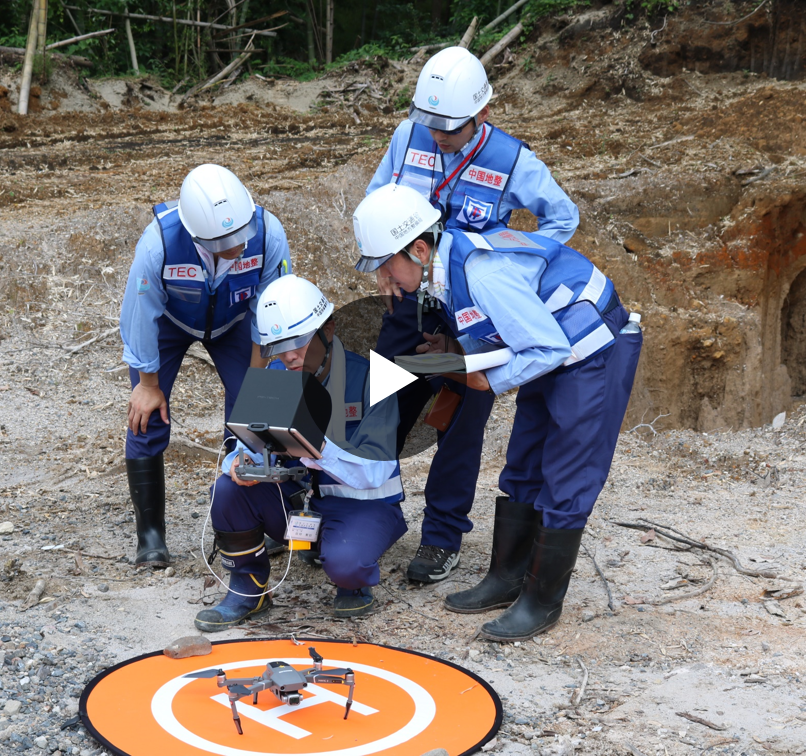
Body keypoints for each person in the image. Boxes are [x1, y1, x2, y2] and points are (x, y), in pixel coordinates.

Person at [351, 184, 641, 641]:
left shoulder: (480, 272)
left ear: (420, 249)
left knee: (566, 473)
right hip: (551, 350)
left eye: (387, 264)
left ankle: (542, 603)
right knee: (524, 460)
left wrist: (490, 380)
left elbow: (549, 345)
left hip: (589, 351)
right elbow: (497, 326)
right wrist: (455, 348)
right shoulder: (443, 271)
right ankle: (506, 578)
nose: (385, 277)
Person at [365, 46, 580, 584]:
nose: (437, 135)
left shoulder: (513, 161)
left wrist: (509, 269)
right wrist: (383, 264)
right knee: (374, 401)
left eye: (451, 126)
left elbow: (563, 218)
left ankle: (441, 537)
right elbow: (375, 201)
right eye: (429, 122)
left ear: (483, 113)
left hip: (471, 311)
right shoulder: (406, 137)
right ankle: (365, 512)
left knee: (460, 422)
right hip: (411, 301)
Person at [194, 275, 406, 631]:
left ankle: (352, 578)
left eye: (299, 340)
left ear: (330, 329)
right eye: (277, 344)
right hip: (301, 500)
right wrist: (239, 463)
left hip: (366, 505)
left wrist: (319, 449)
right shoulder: (277, 375)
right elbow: (246, 443)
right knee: (228, 490)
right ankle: (249, 589)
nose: (289, 354)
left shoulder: (373, 377)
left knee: (346, 563)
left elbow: (377, 472)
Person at [120, 164, 292, 569]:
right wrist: (147, 382)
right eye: (225, 242)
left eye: (242, 234)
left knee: (265, 408)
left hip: (238, 323)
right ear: (196, 235)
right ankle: (150, 535)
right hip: (170, 324)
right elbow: (140, 313)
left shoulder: (269, 235)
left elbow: (269, 314)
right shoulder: (158, 244)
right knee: (147, 415)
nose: (239, 246)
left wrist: (256, 388)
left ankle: (248, 518)